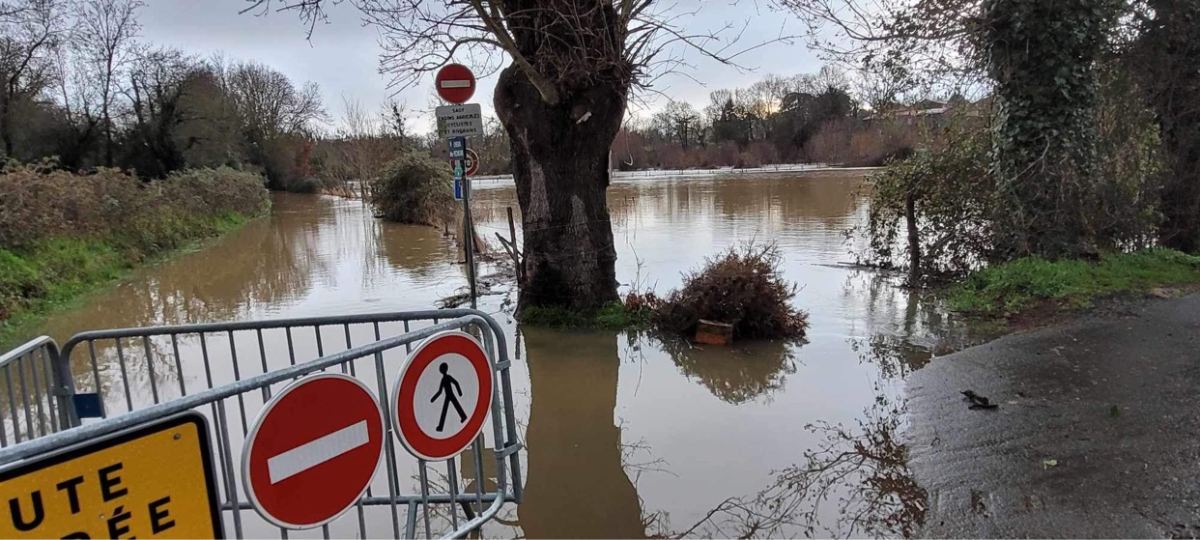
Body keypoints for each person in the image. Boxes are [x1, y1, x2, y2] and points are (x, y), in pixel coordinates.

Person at [430, 362, 467, 431]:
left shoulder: (447, 377)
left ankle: (441, 426)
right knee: (450, 408)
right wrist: (433, 398)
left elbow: (456, 383)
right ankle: (441, 426)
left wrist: (460, 393)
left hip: (450, 394)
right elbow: (440, 391)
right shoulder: (443, 379)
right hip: (448, 395)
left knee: (451, 408)